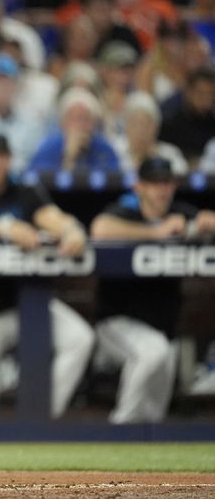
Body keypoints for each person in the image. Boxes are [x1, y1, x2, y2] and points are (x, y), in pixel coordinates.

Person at [0, 133, 95, 422]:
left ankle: (41, 420)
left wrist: (73, 229)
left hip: (25, 305)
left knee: (79, 338)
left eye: (2, 157)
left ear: (9, 159)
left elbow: (51, 216)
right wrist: (5, 228)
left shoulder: (23, 187)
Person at [90, 157, 215, 423]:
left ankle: (145, 457)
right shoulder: (125, 209)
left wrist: (206, 221)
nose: (162, 189)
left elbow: (203, 221)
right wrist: (156, 232)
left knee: (154, 412)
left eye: (167, 183)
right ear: (139, 186)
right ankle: (120, 427)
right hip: (117, 322)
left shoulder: (180, 211)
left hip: (162, 328)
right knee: (152, 352)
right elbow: (100, 229)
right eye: (155, 183)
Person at [28, 87, 120, 173]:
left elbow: (115, 180)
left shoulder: (103, 149)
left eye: (85, 119)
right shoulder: (49, 147)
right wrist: (69, 157)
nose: (79, 125)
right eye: (74, 118)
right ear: (62, 122)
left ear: (94, 123)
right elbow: (36, 179)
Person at [112, 91, 187, 176]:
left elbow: (181, 178)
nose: (141, 130)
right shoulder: (114, 152)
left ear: (156, 128)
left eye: (146, 124)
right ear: (126, 127)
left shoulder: (170, 154)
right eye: (135, 123)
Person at [158, 66, 215, 167]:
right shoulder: (170, 123)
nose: (205, 99)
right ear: (188, 92)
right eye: (201, 93)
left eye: (210, 94)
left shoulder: (212, 124)